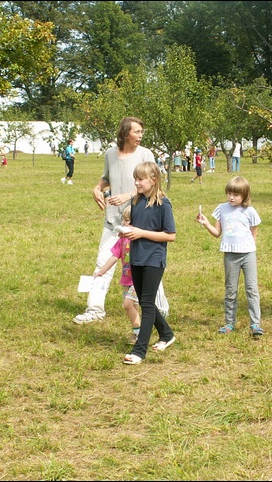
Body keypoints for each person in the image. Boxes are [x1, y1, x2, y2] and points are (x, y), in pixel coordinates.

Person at [73, 116, 170, 324]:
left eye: (141, 132)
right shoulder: (110, 154)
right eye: (137, 132)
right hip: (113, 222)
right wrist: (97, 188)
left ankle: (160, 309)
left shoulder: (146, 154)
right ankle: (94, 309)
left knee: (147, 266)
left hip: (139, 222)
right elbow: (107, 177)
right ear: (125, 133)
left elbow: (154, 182)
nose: (140, 135)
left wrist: (128, 195)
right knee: (102, 263)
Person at [122, 161, 176, 365]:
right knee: (147, 302)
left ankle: (140, 350)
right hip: (136, 258)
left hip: (153, 259)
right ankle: (167, 334)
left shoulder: (164, 204)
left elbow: (170, 235)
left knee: (145, 304)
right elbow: (136, 227)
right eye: (135, 179)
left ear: (154, 180)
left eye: (140, 179)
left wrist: (141, 233)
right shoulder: (136, 202)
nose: (136, 183)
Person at [196, 176, 263, 338]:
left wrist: (249, 249)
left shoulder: (250, 211)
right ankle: (229, 322)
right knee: (230, 289)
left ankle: (255, 323)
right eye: (229, 193)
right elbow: (217, 233)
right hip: (230, 255)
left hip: (248, 254)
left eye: (236, 195)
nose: (231, 197)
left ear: (245, 196)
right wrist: (206, 223)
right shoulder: (222, 209)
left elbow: (253, 233)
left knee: (252, 289)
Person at [93, 206, 140, 345]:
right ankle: (136, 331)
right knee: (133, 306)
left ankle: (139, 330)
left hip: (138, 279)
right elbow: (114, 256)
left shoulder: (139, 240)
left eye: (129, 221)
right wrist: (102, 270)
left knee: (127, 304)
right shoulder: (122, 240)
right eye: (124, 220)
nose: (125, 224)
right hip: (127, 279)